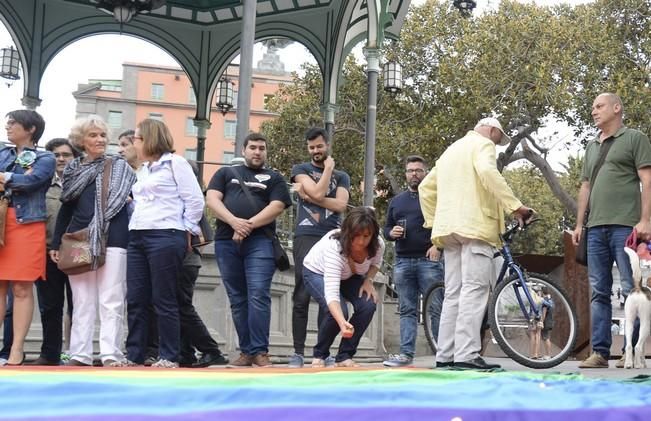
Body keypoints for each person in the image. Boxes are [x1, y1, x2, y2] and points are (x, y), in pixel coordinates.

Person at [419, 116, 533, 370]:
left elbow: (426, 188)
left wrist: (434, 221)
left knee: (453, 293)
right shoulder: (483, 145)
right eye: (498, 138)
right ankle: (467, 354)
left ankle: (445, 355)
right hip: (475, 227)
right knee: (474, 289)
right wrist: (516, 207)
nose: (497, 143)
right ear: (492, 131)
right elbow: (487, 172)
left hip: (448, 230)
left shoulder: (450, 151)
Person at [571, 93, 651, 369]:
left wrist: (645, 220)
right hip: (595, 229)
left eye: (599, 106)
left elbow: (647, 180)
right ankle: (600, 353)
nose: (594, 111)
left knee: (633, 289)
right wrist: (580, 224)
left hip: (626, 226)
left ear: (617, 108)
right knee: (598, 291)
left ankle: (633, 352)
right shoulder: (591, 146)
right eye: (592, 107)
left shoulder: (634, 138)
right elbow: (585, 187)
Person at [50, 115, 135, 367]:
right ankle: (80, 354)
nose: (99, 139)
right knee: (82, 300)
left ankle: (111, 354)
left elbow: (129, 199)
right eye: (93, 135)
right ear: (81, 140)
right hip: (78, 238)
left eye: (102, 135)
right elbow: (66, 206)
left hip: (115, 237)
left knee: (112, 298)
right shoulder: (74, 169)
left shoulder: (120, 166)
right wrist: (56, 243)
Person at [120, 118, 204, 369]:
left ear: (149, 138)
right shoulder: (143, 170)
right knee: (136, 298)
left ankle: (169, 356)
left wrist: (187, 230)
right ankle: (134, 354)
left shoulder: (176, 164)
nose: (134, 142)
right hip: (137, 234)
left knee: (163, 298)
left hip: (166, 234)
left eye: (137, 137)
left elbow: (195, 200)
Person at [206, 132, 292, 368]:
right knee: (237, 298)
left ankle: (260, 351)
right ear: (243, 150)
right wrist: (234, 222)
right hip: (226, 241)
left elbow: (277, 206)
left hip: (260, 242)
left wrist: (247, 226)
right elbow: (212, 200)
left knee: (258, 295)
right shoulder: (226, 173)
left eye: (261, 148)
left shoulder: (274, 178)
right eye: (252, 147)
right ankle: (246, 352)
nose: (257, 151)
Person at [288, 127, 350, 368]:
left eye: (319, 146)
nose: (316, 151)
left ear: (327, 145)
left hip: (332, 237)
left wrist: (309, 197)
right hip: (306, 235)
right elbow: (320, 190)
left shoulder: (342, 176)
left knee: (328, 295)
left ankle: (322, 351)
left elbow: (341, 205)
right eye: (311, 147)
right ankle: (298, 351)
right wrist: (327, 171)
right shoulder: (300, 170)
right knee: (302, 293)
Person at [0, 110, 55, 366]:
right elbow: (22, 181)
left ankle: (16, 350)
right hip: (1, 223)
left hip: (26, 224)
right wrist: (14, 179)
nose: (7, 127)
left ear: (30, 128)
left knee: (22, 288)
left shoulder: (46, 157)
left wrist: (6, 178)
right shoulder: (3, 153)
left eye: (13, 123)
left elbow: (32, 182)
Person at [302, 206, 384, 367]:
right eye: (356, 236)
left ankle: (344, 356)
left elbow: (376, 263)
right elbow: (332, 294)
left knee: (368, 304)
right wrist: (342, 322)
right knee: (339, 311)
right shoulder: (334, 246)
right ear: (347, 232)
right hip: (316, 272)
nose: (361, 241)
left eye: (366, 236)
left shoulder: (378, 244)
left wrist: (368, 281)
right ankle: (320, 354)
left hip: (349, 276)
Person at [383, 155, 444, 368]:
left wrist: (438, 245)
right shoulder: (396, 201)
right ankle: (406, 354)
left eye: (418, 170)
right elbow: (386, 228)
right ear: (406, 174)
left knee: (435, 308)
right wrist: (391, 233)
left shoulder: (435, 197)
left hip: (429, 261)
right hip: (402, 262)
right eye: (410, 170)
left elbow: (445, 224)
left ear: (426, 173)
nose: (414, 174)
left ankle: (442, 354)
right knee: (407, 309)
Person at [32, 138, 79, 365]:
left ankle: (78, 354)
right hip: (45, 252)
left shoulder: (81, 182)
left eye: (65, 155)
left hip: (76, 252)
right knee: (50, 306)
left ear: (74, 158)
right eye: (55, 155)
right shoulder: (39, 184)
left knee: (78, 305)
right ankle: (49, 354)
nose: (60, 159)